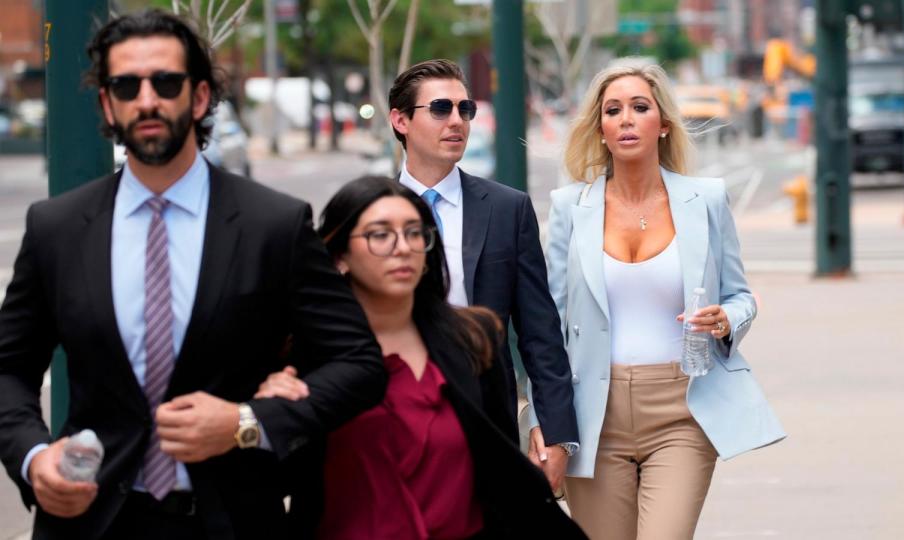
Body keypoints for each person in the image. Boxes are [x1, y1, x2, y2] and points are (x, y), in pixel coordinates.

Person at [0, 10, 386, 540]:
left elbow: (359, 363)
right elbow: (9, 368)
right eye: (126, 86)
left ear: (199, 97)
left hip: (233, 520)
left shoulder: (273, 224)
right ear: (107, 106)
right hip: (90, 521)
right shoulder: (57, 228)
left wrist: (246, 424)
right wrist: (33, 457)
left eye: (165, 82)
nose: (147, 99)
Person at [256, 175, 586, 539]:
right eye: (380, 235)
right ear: (339, 257)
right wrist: (270, 415)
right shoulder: (301, 352)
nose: (402, 247)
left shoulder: (472, 339)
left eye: (415, 233)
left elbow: (500, 468)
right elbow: (268, 480)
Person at [541, 63, 786, 539]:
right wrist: (539, 418)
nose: (626, 119)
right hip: (593, 411)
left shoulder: (706, 200)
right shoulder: (571, 207)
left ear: (663, 124)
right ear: (601, 129)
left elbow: (740, 295)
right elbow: (545, 325)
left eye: (640, 107)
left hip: (682, 410)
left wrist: (726, 318)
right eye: (613, 110)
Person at [387, 59, 578, 491]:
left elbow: (539, 331)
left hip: (485, 420)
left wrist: (556, 429)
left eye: (464, 109)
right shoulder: (369, 211)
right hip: (390, 418)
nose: (456, 121)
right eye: (439, 108)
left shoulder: (506, 209)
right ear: (400, 120)